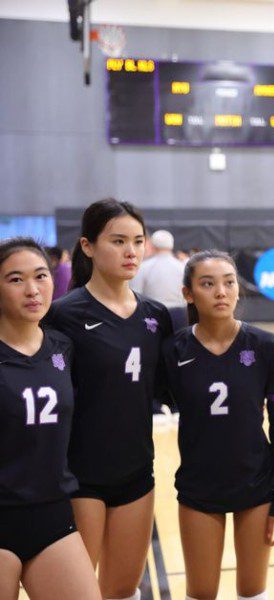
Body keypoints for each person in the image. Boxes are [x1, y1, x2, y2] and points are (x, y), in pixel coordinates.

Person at [44, 198, 172, 600]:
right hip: (79, 476)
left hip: (136, 472)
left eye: (138, 241)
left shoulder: (156, 317)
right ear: (87, 246)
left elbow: (169, 388)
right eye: (118, 241)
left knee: (122, 590)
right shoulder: (62, 315)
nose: (131, 251)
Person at [160, 250, 274, 600]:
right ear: (189, 293)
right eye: (208, 284)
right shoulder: (173, 351)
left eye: (229, 282)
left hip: (256, 486)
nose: (221, 291)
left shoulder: (265, 346)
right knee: (200, 592)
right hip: (199, 488)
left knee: (252, 591)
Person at [0, 238, 101, 600]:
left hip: (52, 514)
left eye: (40, 276)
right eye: (15, 279)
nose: (32, 289)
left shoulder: (63, 347)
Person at [130, 229, 188, 331]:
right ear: (171, 245)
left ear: (153, 245)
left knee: (154, 345)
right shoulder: (182, 267)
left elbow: (135, 294)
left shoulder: (143, 267)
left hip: (152, 315)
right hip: (180, 315)